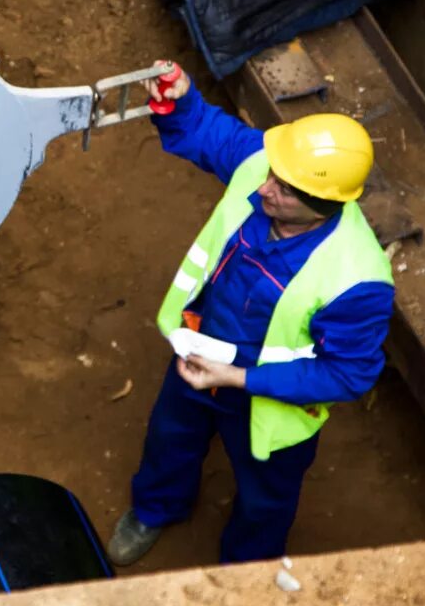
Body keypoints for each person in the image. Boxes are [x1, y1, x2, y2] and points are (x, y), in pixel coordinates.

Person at [107, 61, 393, 566]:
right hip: (199, 348)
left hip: (270, 394)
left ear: (322, 203)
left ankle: (247, 572)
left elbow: (349, 372)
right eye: (272, 176)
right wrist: (180, 100)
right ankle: (155, 508)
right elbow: (209, 134)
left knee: (266, 494)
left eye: (282, 190)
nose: (264, 188)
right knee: (170, 439)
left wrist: (239, 378)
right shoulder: (271, 168)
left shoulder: (357, 279)